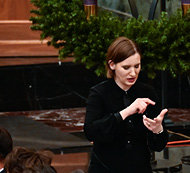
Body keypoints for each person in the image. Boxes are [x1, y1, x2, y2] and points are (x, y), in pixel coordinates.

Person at [84, 37, 169, 173]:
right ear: (112, 65)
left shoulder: (147, 92)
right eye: (126, 67)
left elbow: (158, 146)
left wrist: (158, 130)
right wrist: (126, 112)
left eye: (137, 66)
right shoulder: (99, 93)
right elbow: (91, 131)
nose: (133, 73)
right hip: (105, 169)